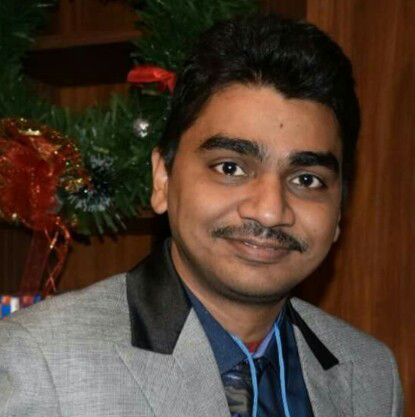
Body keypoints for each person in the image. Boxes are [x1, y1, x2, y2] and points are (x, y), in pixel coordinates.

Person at [0, 13, 403, 417]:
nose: (269, 211)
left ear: (338, 211)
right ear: (163, 179)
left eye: (306, 179)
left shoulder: (371, 376)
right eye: (231, 167)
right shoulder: (36, 364)